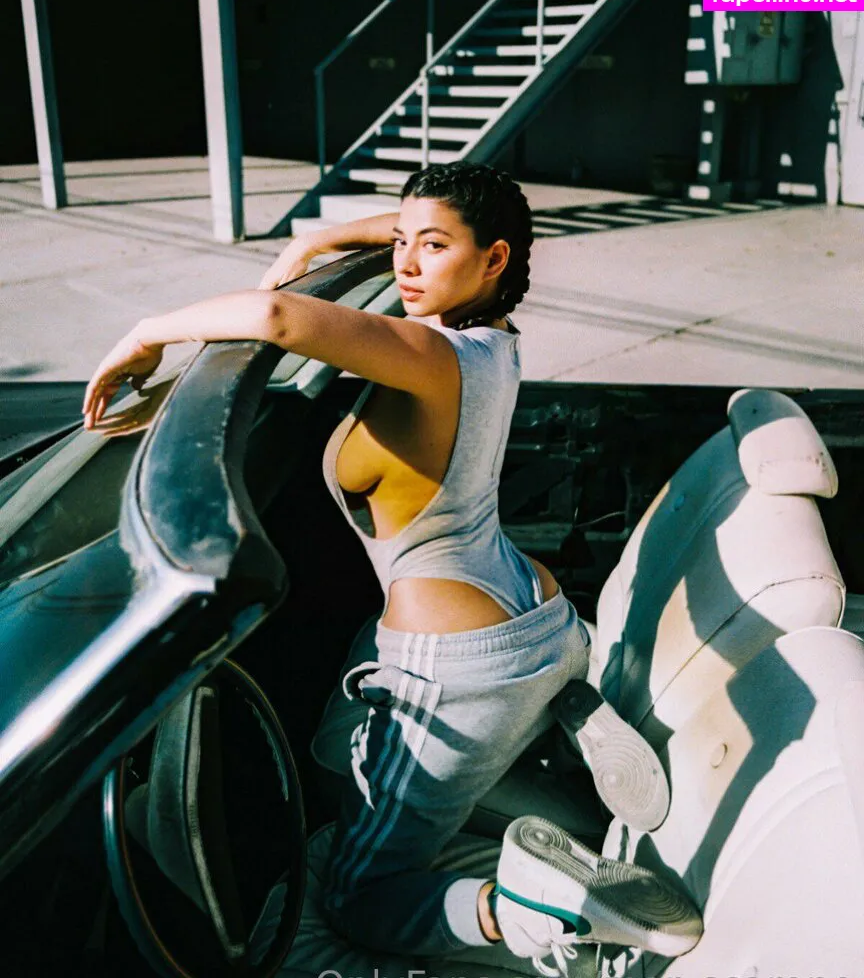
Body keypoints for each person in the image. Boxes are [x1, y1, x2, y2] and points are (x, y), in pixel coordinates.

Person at [82, 162, 702, 974]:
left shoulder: (430, 356)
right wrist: (326, 242)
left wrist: (145, 335)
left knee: (358, 894)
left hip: (460, 671)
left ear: (494, 259)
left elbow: (275, 315)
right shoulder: (493, 342)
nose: (405, 263)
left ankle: (524, 905)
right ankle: (568, 755)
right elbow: (425, 235)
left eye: (432, 247)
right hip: (542, 625)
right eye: (401, 242)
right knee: (341, 743)